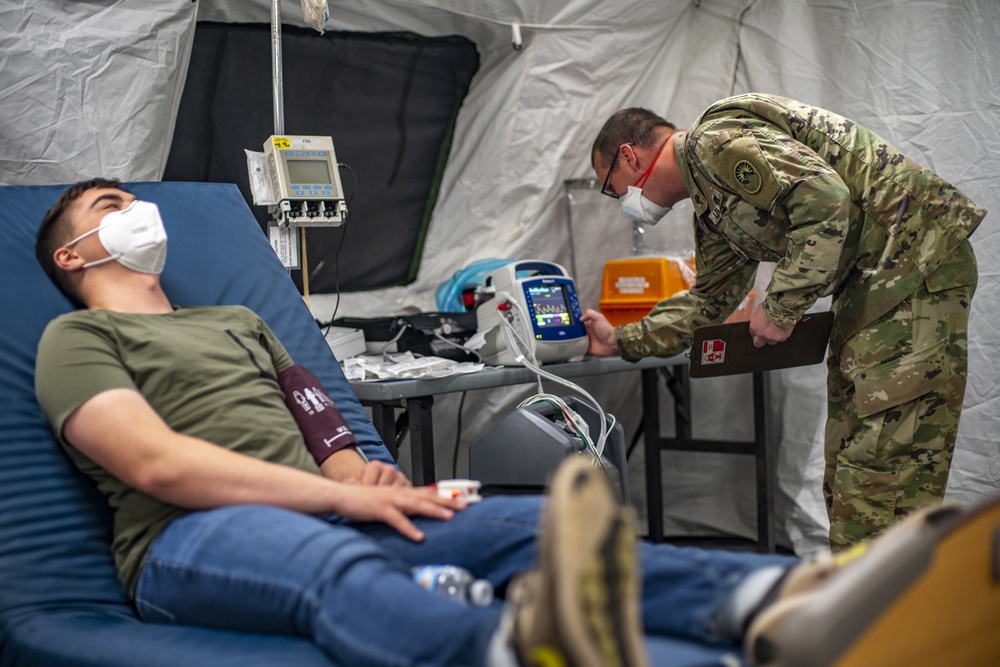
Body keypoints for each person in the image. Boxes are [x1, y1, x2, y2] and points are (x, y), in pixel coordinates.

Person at [33, 178, 982, 667]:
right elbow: (157, 464)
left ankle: (783, 603)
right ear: (75, 251)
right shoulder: (72, 340)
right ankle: (503, 648)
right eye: (112, 207)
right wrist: (332, 496)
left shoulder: (235, 319)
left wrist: (359, 470)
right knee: (335, 570)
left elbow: (314, 408)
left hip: (327, 499)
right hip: (190, 538)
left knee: (534, 526)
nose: (139, 213)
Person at [586, 93, 986, 551]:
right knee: (847, 466)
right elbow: (710, 300)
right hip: (873, 286)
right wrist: (621, 340)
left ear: (630, 158)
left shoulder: (716, 144)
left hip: (913, 265)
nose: (621, 202)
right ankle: (863, 599)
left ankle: (888, 612)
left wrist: (779, 309)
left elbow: (825, 199)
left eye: (612, 188)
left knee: (883, 470)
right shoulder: (710, 199)